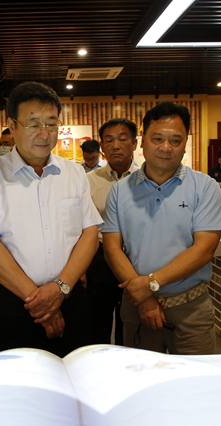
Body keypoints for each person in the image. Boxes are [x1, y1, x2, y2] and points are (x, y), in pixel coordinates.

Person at [0, 81, 102, 357]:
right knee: (18, 379)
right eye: (34, 124)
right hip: (12, 303)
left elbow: (89, 233)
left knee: (75, 373)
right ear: (12, 126)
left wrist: (59, 290)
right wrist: (41, 303)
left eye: (51, 124)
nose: (44, 133)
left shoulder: (73, 174)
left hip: (70, 298)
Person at [103, 102, 221, 354]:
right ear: (143, 141)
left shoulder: (205, 187)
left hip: (190, 307)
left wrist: (149, 285)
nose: (166, 147)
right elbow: (112, 248)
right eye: (157, 138)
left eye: (175, 140)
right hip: (137, 306)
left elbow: (204, 249)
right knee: (141, 376)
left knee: (196, 377)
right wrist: (144, 298)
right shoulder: (120, 190)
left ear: (185, 144)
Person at [86, 118, 139, 344]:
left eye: (122, 139)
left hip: (135, 256)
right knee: (97, 320)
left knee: (132, 320)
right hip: (99, 258)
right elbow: (80, 226)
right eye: (109, 140)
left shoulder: (146, 179)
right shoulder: (88, 181)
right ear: (102, 147)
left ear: (134, 143)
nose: (116, 146)